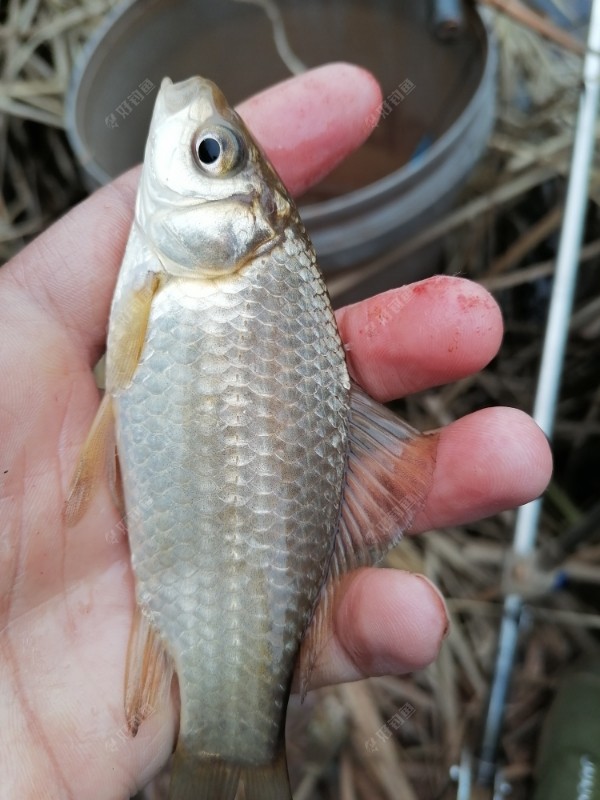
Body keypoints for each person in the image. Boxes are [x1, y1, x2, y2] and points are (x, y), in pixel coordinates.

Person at [0, 63, 551, 797]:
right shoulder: (186, 269)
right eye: (212, 153)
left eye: (208, 155)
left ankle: (236, 749)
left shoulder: (181, 273)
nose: (195, 142)